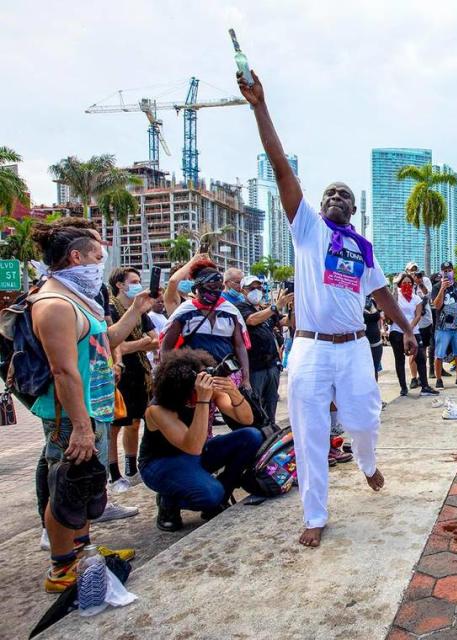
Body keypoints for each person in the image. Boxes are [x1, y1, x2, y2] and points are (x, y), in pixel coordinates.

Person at [240, 67, 419, 547]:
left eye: (344, 194)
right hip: (310, 351)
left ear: (354, 209)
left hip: (356, 348)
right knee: (310, 433)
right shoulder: (308, 231)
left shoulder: (362, 248)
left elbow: (381, 295)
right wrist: (260, 105)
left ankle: (367, 462)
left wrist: (408, 330)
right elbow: (281, 166)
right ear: (317, 207)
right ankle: (315, 515)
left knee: (364, 419)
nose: (336, 197)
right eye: (329, 194)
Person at [29, 222, 154, 591]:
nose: (101, 263)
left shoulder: (78, 298)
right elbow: (63, 371)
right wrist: (81, 427)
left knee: (83, 486)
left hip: (92, 409)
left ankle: (81, 552)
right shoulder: (54, 304)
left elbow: (104, 341)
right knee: (65, 487)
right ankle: (62, 566)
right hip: (70, 415)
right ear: (76, 257)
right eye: (98, 256)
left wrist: (134, 310)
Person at [141, 348, 263, 531]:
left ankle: (222, 494)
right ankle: (169, 500)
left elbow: (247, 420)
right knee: (211, 493)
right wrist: (203, 401)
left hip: (193, 455)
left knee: (251, 436)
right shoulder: (158, 410)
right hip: (161, 464)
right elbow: (194, 446)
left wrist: (233, 391)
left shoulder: (207, 392)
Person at [161, 258, 252, 390]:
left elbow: (240, 347)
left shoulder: (231, 312)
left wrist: (246, 378)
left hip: (227, 377)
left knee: (234, 409)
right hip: (195, 379)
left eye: (219, 287)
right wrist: (168, 373)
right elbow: (167, 346)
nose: (215, 291)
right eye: (211, 287)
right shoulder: (185, 312)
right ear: (197, 287)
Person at [107, 267, 160, 490]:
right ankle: (114, 473)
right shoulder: (111, 309)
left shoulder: (140, 310)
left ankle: (131, 467)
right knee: (115, 426)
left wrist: (131, 344)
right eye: (134, 281)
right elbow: (114, 343)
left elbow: (155, 339)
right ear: (120, 284)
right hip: (120, 376)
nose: (138, 284)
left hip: (140, 373)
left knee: (135, 422)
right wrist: (140, 344)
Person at [235, 275, 291, 425]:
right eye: (251, 288)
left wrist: (293, 308)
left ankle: (270, 431)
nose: (256, 291)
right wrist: (275, 307)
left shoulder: (265, 309)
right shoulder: (240, 307)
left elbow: (286, 322)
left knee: (271, 403)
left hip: (271, 365)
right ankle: (258, 434)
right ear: (243, 291)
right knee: (256, 405)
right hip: (255, 367)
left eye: (259, 288)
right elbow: (252, 320)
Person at [391, 273, 439, 396]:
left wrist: (409, 329)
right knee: (399, 359)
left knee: (421, 358)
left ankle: (425, 386)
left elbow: (418, 315)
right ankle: (403, 387)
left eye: (410, 283)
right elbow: (393, 310)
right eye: (404, 283)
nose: (407, 285)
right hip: (397, 330)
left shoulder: (416, 298)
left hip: (414, 331)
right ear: (400, 284)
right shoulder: (397, 296)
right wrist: (404, 329)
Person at [432, 261, 457, 388]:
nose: (447, 272)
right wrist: (442, 288)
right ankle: (438, 379)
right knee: (439, 354)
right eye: (445, 270)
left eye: (449, 270)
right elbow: (436, 305)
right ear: (441, 272)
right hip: (442, 328)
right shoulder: (437, 287)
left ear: (453, 271)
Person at [406, 263, 434, 385]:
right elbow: (406, 298)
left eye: (415, 270)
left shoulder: (425, 280)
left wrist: (420, 283)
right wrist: (411, 283)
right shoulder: (405, 282)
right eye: (411, 271)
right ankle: (413, 377)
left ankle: (423, 377)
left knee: (423, 350)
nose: (414, 273)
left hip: (425, 321)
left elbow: (428, 295)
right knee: (413, 350)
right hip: (411, 322)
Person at [364, 295, 384, 379]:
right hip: (362, 342)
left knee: (374, 370)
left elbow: (381, 317)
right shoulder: (355, 300)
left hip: (376, 342)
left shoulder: (373, 301)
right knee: (365, 371)